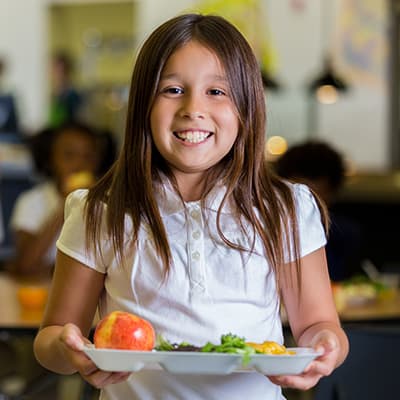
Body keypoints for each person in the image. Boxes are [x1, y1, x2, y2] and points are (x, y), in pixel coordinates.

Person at [33, 14, 348, 400]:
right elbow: (50, 339)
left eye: (217, 92)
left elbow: (318, 324)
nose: (192, 109)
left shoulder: (284, 209)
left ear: (246, 107)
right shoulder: (101, 210)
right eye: (172, 90)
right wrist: (69, 350)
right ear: (143, 105)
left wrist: (326, 348)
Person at [8, 121, 116, 279]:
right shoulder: (31, 201)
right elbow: (26, 265)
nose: (79, 164)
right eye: (69, 155)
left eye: (88, 156)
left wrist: (49, 269)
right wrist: (65, 204)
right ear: (52, 159)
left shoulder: (109, 202)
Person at [274, 141, 363, 282]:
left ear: (333, 193)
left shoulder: (344, 233)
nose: (306, 206)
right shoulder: (268, 230)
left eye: (315, 198)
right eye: (299, 195)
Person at [48, 51, 83, 128]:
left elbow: (76, 119)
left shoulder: (72, 94)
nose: (54, 72)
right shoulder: (55, 92)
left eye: (58, 69)